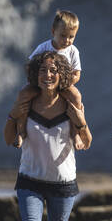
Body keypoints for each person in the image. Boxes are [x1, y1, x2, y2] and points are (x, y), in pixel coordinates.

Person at [4, 51, 91, 221]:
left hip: (63, 184)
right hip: (30, 182)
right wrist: (12, 116)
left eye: (54, 71)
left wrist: (81, 122)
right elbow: (9, 139)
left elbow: (87, 142)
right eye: (43, 70)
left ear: (62, 75)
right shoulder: (26, 104)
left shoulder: (71, 104)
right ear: (36, 74)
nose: (48, 75)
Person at [15, 10, 83, 147]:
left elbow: (77, 73)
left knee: (76, 96)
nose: (67, 40)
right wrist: (36, 81)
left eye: (71, 37)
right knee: (23, 94)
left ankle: (76, 132)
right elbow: (29, 66)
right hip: (42, 83)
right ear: (53, 32)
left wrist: (67, 82)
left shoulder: (73, 51)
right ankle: (21, 131)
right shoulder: (44, 47)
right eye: (63, 36)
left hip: (63, 85)